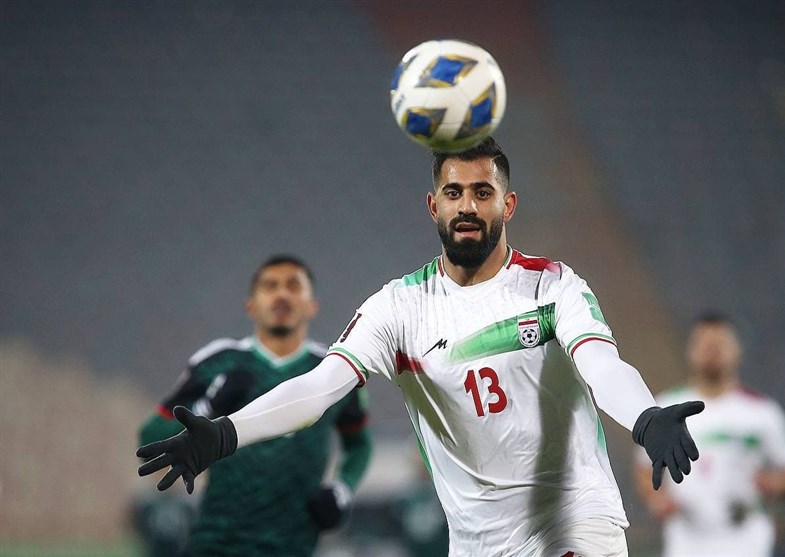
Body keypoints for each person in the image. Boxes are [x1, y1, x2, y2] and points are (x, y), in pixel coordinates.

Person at [138, 138, 705, 557]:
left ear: (508, 205)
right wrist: (226, 433)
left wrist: (645, 415)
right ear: (433, 206)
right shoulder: (399, 307)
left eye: (482, 192)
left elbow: (600, 363)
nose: (467, 206)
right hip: (476, 543)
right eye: (454, 192)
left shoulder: (552, 285)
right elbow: (319, 388)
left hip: (573, 520)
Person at [138, 255, 372, 556]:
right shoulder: (219, 361)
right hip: (216, 541)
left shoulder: (332, 370)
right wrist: (207, 407)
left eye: (293, 286)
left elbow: (359, 445)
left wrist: (342, 489)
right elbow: (151, 436)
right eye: (270, 286)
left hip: (295, 545)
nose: (282, 294)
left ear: (312, 306)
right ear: (251, 305)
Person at [634, 313, 785, 557]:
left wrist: (776, 483)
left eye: (719, 345)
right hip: (687, 539)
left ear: (738, 351)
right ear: (690, 350)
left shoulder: (762, 412)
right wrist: (656, 498)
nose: (711, 352)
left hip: (745, 538)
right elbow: (644, 467)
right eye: (704, 344)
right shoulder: (667, 408)